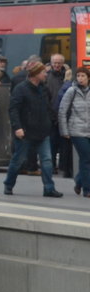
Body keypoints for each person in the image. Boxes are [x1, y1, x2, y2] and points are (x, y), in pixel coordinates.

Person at [3, 61, 63, 197]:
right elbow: (13, 109)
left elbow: (48, 107)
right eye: (43, 72)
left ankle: (49, 188)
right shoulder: (21, 89)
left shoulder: (43, 88)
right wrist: (17, 127)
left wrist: (51, 120)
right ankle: (8, 184)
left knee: (47, 160)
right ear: (35, 74)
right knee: (18, 160)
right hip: (25, 131)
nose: (46, 74)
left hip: (43, 130)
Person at [58, 65, 90, 198]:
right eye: (78, 76)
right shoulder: (72, 91)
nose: (80, 78)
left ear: (88, 78)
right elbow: (62, 111)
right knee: (86, 158)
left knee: (87, 159)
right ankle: (87, 189)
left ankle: (78, 181)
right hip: (76, 130)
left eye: (83, 76)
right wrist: (64, 131)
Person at [47, 54, 74, 178]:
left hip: (64, 116)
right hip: (52, 115)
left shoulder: (67, 76)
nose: (57, 65)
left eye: (59, 63)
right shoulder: (47, 77)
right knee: (52, 143)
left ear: (63, 63)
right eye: (55, 62)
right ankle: (52, 166)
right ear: (51, 63)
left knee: (64, 143)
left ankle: (63, 167)